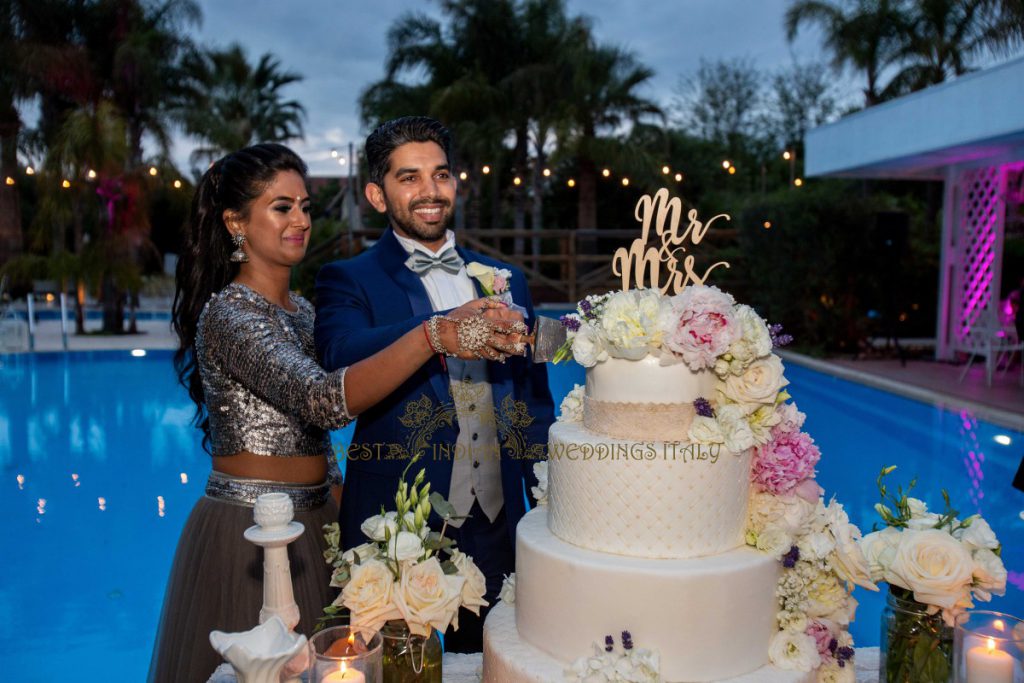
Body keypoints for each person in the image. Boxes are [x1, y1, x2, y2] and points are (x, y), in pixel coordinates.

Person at [149, 143, 521, 682]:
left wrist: (349, 506)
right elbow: (321, 401)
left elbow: (312, 437)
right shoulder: (230, 312)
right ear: (236, 222)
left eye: (304, 206)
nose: (300, 220)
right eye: (282, 208)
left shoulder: (302, 311)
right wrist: (435, 334)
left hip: (322, 517)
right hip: (252, 529)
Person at [314, 117, 555, 652]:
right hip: (396, 528)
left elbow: (535, 399)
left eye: (440, 175)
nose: (430, 191)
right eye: (409, 177)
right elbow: (338, 356)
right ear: (377, 194)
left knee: (498, 662)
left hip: (499, 525)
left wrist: (548, 496)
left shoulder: (505, 280)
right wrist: (442, 328)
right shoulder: (348, 278)